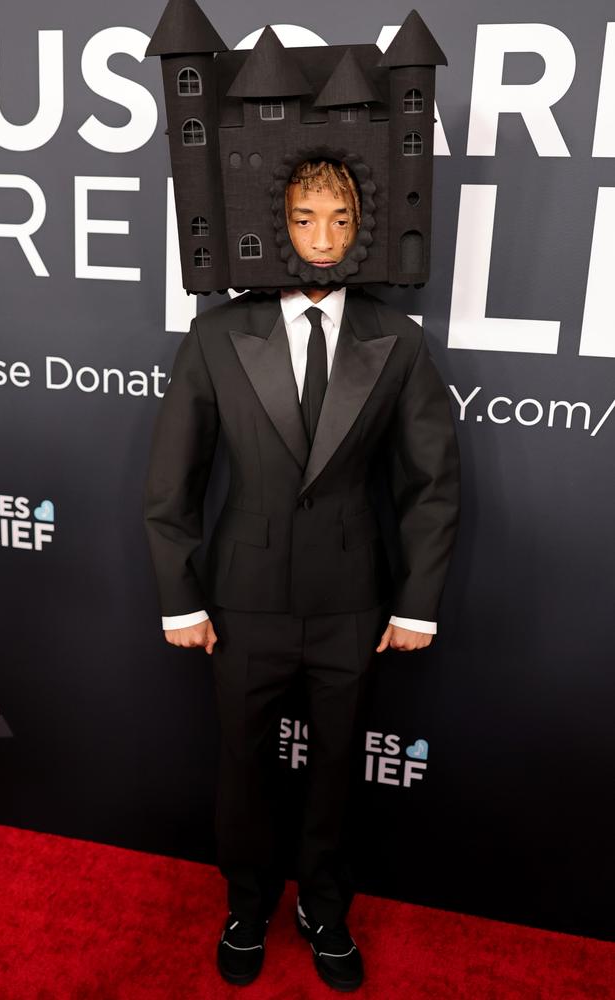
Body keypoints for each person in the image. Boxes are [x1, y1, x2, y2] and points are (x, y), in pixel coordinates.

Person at [143, 158, 461, 991]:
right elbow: (172, 480)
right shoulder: (217, 334)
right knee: (242, 768)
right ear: (273, 223)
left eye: (340, 221)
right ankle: (246, 904)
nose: (322, 238)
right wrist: (180, 597)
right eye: (304, 218)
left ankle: (324, 907)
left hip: (353, 605)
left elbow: (433, 483)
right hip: (240, 602)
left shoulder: (398, 340)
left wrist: (417, 605)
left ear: (364, 231)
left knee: (333, 774)